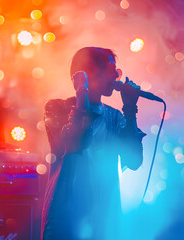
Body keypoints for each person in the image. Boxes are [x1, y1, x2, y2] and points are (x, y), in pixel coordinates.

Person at [41, 47, 146, 239]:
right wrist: (82, 93)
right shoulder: (57, 108)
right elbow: (77, 143)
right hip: (67, 216)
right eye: (111, 68)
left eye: (118, 70)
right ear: (87, 72)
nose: (116, 74)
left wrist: (130, 108)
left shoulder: (114, 116)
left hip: (104, 218)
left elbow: (134, 161)